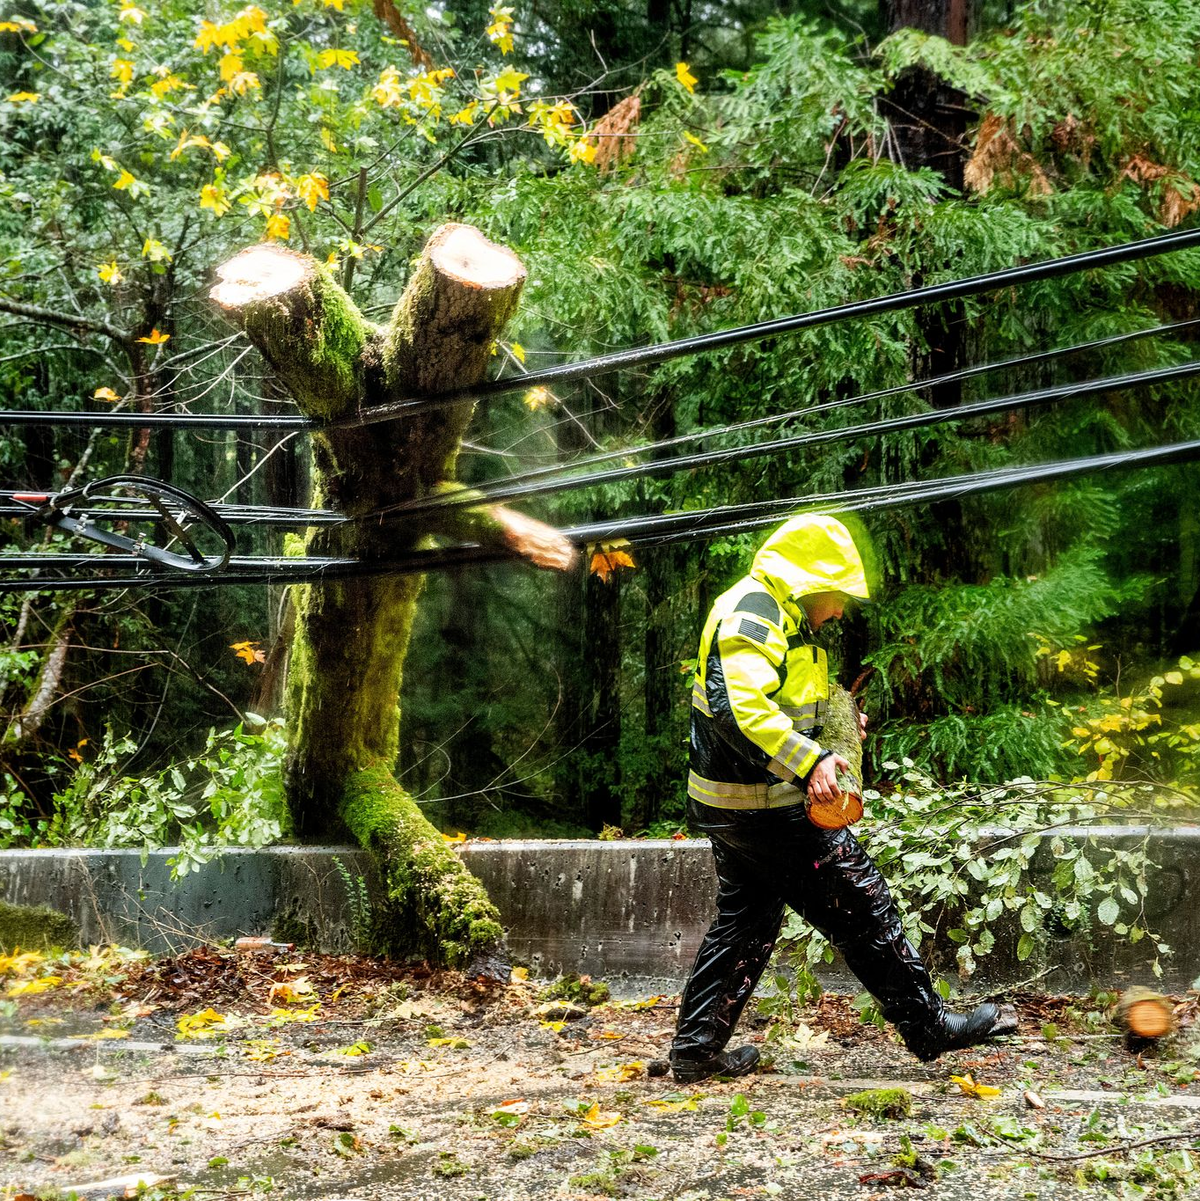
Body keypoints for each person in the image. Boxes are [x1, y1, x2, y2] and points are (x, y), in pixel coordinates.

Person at [669, 513, 1016, 1083]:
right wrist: (811, 761)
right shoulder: (754, 612)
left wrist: (834, 730)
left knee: (746, 921)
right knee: (865, 904)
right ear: (810, 581)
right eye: (837, 598)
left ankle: (696, 1049)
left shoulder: (777, 615)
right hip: (765, 807)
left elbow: (779, 702)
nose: (840, 611)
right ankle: (930, 1028)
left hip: (737, 804)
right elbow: (740, 707)